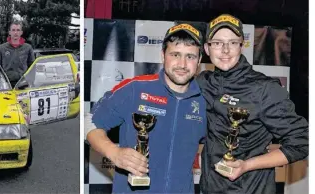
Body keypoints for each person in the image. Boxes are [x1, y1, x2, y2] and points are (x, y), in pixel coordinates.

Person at [85, 24, 207, 193]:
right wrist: (114, 152)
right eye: (175, 54)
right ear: (163, 55)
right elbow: (89, 123)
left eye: (191, 56)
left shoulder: (205, 101)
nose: (182, 63)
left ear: (199, 61)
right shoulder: (135, 89)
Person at [196, 14, 308, 194]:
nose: (225, 50)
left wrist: (247, 165)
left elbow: (303, 142)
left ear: (242, 46)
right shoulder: (203, 82)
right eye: (217, 43)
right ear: (207, 49)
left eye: (232, 42)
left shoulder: (264, 89)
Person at [0, 21, 35, 87]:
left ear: (21, 32)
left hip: (23, 84)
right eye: (13, 30)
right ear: (9, 32)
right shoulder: (1, 48)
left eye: (18, 30)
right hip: (6, 84)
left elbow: (32, 67)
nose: (15, 33)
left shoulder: (28, 48)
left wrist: (31, 81)